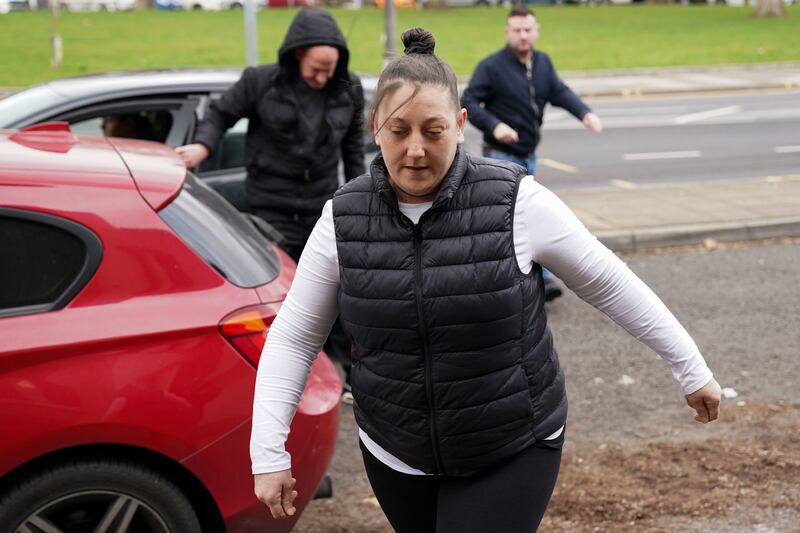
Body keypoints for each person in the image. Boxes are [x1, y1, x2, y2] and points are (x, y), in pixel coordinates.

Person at [250, 28, 721, 533]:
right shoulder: (342, 218)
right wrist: (267, 450)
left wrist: (690, 366)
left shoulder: (516, 201)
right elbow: (297, 336)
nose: (414, 150)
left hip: (510, 443)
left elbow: (609, 283)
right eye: (398, 130)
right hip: (395, 451)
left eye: (432, 131)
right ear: (374, 127)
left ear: (459, 125)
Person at [175, 8, 365, 262]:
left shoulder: (348, 90)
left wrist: (361, 202)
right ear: (297, 53)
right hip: (270, 211)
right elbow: (221, 113)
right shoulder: (260, 82)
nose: (322, 78)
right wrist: (203, 146)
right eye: (316, 68)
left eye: (329, 70)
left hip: (322, 211)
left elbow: (353, 150)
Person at [462, 5, 603, 302]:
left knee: (523, 217)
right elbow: (469, 102)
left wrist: (584, 113)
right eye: (517, 31)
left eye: (528, 30)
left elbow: (558, 91)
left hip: (528, 155)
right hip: (500, 155)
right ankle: (522, 281)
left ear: (536, 31)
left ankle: (532, 279)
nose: (523, 36)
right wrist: (495, 125)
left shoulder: (542, 63)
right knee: (508, 219)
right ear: (507, 32)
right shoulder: (492, 67)